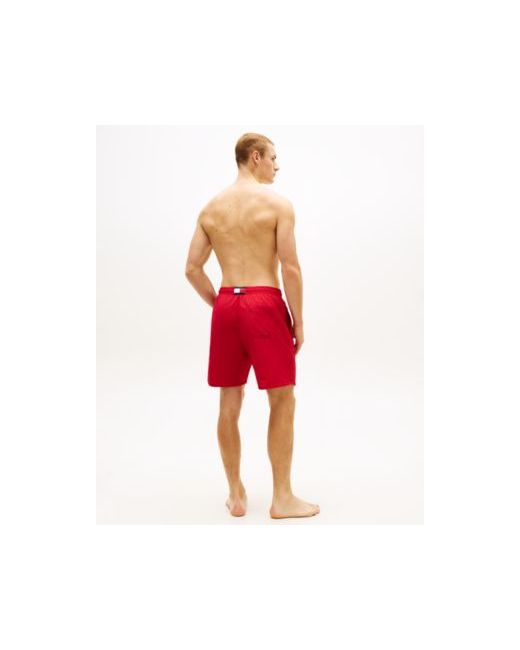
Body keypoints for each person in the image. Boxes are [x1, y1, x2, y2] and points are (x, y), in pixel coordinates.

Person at [185, 132, 319, 520]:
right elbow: (290, 268)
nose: (277, 166)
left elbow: (192, 268)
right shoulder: (277, 205)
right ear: (255, 157)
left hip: (228, 304)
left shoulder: (211, 209)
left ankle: (236, 495)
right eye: (273, 158)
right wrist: (298, 321)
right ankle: (282, 498)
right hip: (264, 304)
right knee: (282, 398)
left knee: (229, 401)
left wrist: (222, 304)